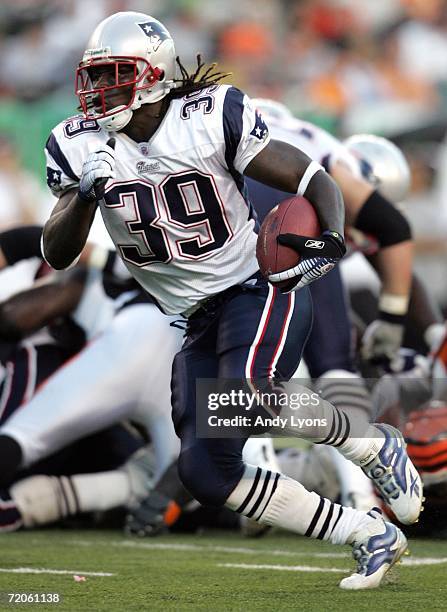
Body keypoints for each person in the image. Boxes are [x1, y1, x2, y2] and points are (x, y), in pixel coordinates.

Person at [40, 12, 422, 589]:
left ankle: (370, 445)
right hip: (194, 315)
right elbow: (58, 250)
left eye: (114, 75)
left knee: (248, 397)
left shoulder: (208, 115)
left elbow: (311, 176)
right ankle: (367, 534)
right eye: (94, 77)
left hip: (254, 285)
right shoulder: (77, 144)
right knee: (206, 472)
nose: (99, 91)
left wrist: (331, 239)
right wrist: (85, 197)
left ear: (152, 75)